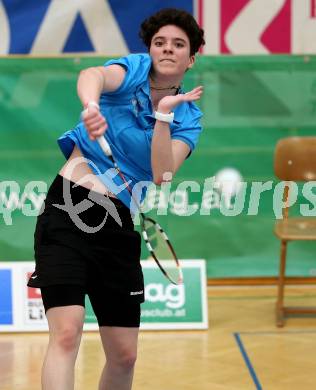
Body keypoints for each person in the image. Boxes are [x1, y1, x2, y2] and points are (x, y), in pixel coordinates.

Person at [28, 7, 205, 390]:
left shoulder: (189, 118)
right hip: (69, 210)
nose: (167, 50)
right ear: (150, 49)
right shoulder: (135, 71)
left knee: (125, 355)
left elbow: (162, 174)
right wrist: (92, 106)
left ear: (191, 58)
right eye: (160, 43)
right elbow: (92, 75)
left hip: (120, 224)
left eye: (178, 45)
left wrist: (163, 117)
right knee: (66, 333)